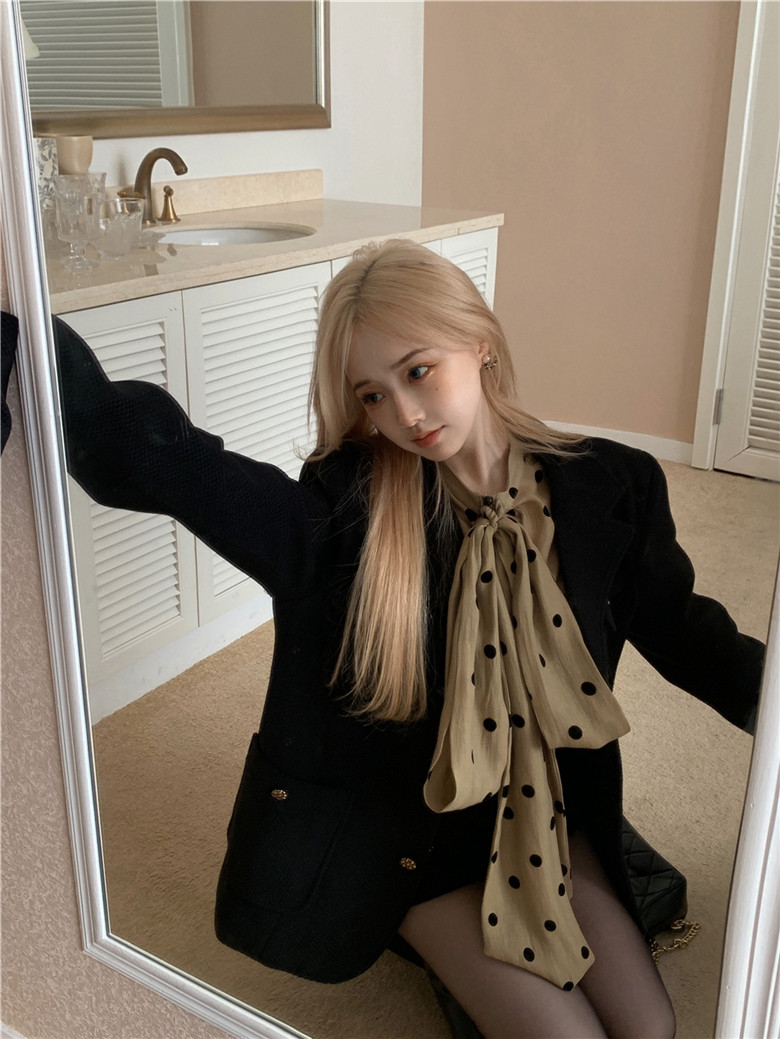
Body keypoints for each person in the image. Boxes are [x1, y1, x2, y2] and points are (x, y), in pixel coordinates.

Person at [51, 239, 763, 1039]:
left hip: (541, 808)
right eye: (374, 394)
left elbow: (686, 630)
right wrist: (27, 323)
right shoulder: (349, 508)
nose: (406, 415)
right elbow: (168, 467)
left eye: (418, 371)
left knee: (651, 1026)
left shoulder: (614, 483)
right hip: (412, 840)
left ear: (479, 340)